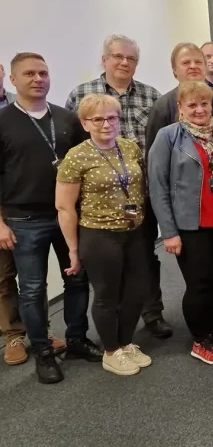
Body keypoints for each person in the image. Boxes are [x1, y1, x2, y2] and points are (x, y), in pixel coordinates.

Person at [0, 53, 101, 383]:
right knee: (32, 289)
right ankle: (43, 351)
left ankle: (76, 339)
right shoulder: (3, 121)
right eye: (29, 73)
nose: (38, 79)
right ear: (13, 80)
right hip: (24, 219)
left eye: (43, 73)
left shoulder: (67, 118)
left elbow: (87, 162)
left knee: (77, 279)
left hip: (69, 216)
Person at [145, 42, 213, 339]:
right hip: (190, 225)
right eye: (192, 106)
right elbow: (157, 184)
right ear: (180, 108)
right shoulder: (168, 136)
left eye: (204, 104)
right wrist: (169, 232)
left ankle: (211, 334)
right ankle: (201, 338)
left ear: (212, 106)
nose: (199, 110)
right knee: (199, 284)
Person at [55, 94, 151, 377]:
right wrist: (74, 250)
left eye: (112, 118)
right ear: (85, 123)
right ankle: (111, 351)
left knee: (136, 292)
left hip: (133, 231)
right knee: (107, 295)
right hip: (99, 235)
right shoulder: (76, 156)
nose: (106, 124)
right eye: (97, 119)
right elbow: (64, 207)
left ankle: (126, 343)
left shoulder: (129, 147)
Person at [66, 34, 161, 154]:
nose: (125, 63)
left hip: (144, 165)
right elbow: (69, 139)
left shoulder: (153, 96)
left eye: (131, 58)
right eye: (118, 56)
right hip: (96, 165)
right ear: (104, 60)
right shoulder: (80, 95)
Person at [0, 61, 26, 366]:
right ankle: (13, 335)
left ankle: (40, 329)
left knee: (33, 277)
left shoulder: (19, 105)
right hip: (3, 209)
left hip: (25, 205)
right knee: (5, 276)